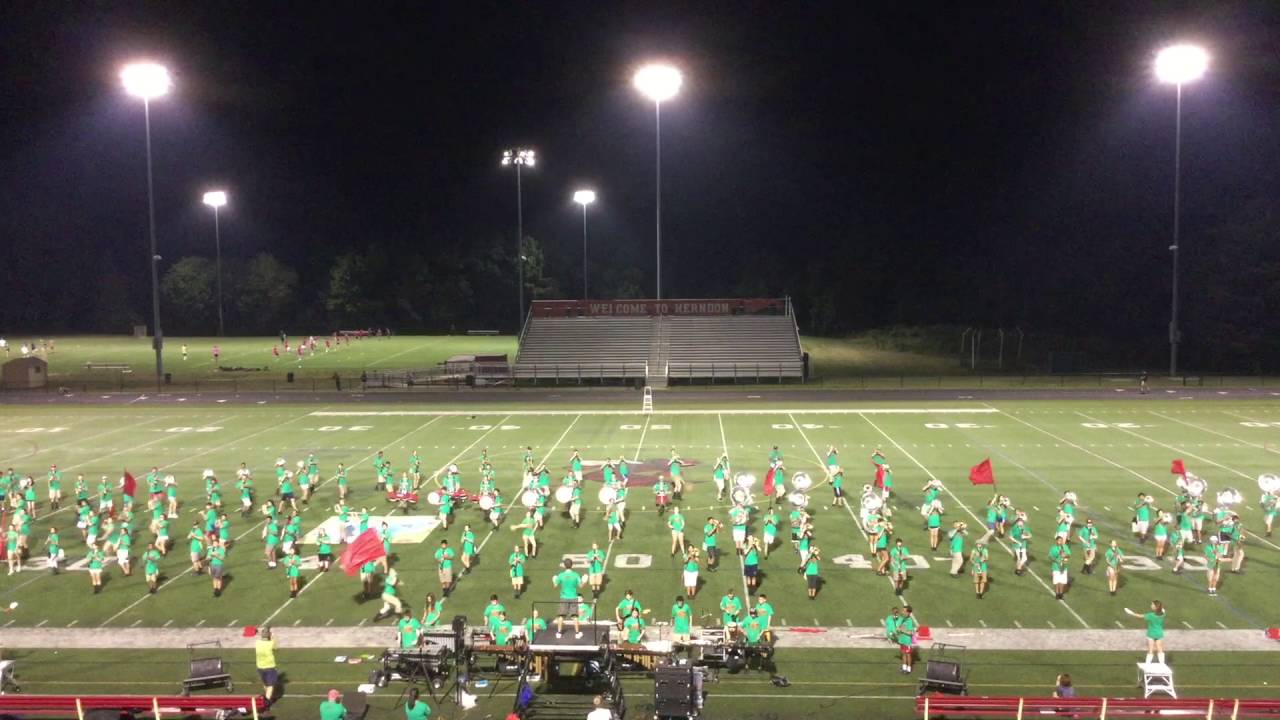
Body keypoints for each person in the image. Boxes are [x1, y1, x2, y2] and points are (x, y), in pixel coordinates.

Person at [255, 627, 279, 707]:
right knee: (270, 686)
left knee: (265, 684)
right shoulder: (270, 643)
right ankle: (267, 702)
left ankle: (266, 697)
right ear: (268, 635)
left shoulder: (257, 643)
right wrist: (273, 636)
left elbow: (261, 638)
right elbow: (276, 647)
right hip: (269, 667)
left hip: (260, 667)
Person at [896, 605, 917, 674]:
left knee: (908, 655)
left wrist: (902, 630)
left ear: (908, 613)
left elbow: (911, 633)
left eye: (904, 611)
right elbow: (899, 627)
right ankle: (904, 667)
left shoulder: (909, 621)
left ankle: (909, 669)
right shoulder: (903, 619)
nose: (902, 612)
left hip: (907, 641)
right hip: (902, 640)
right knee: (903, 654)